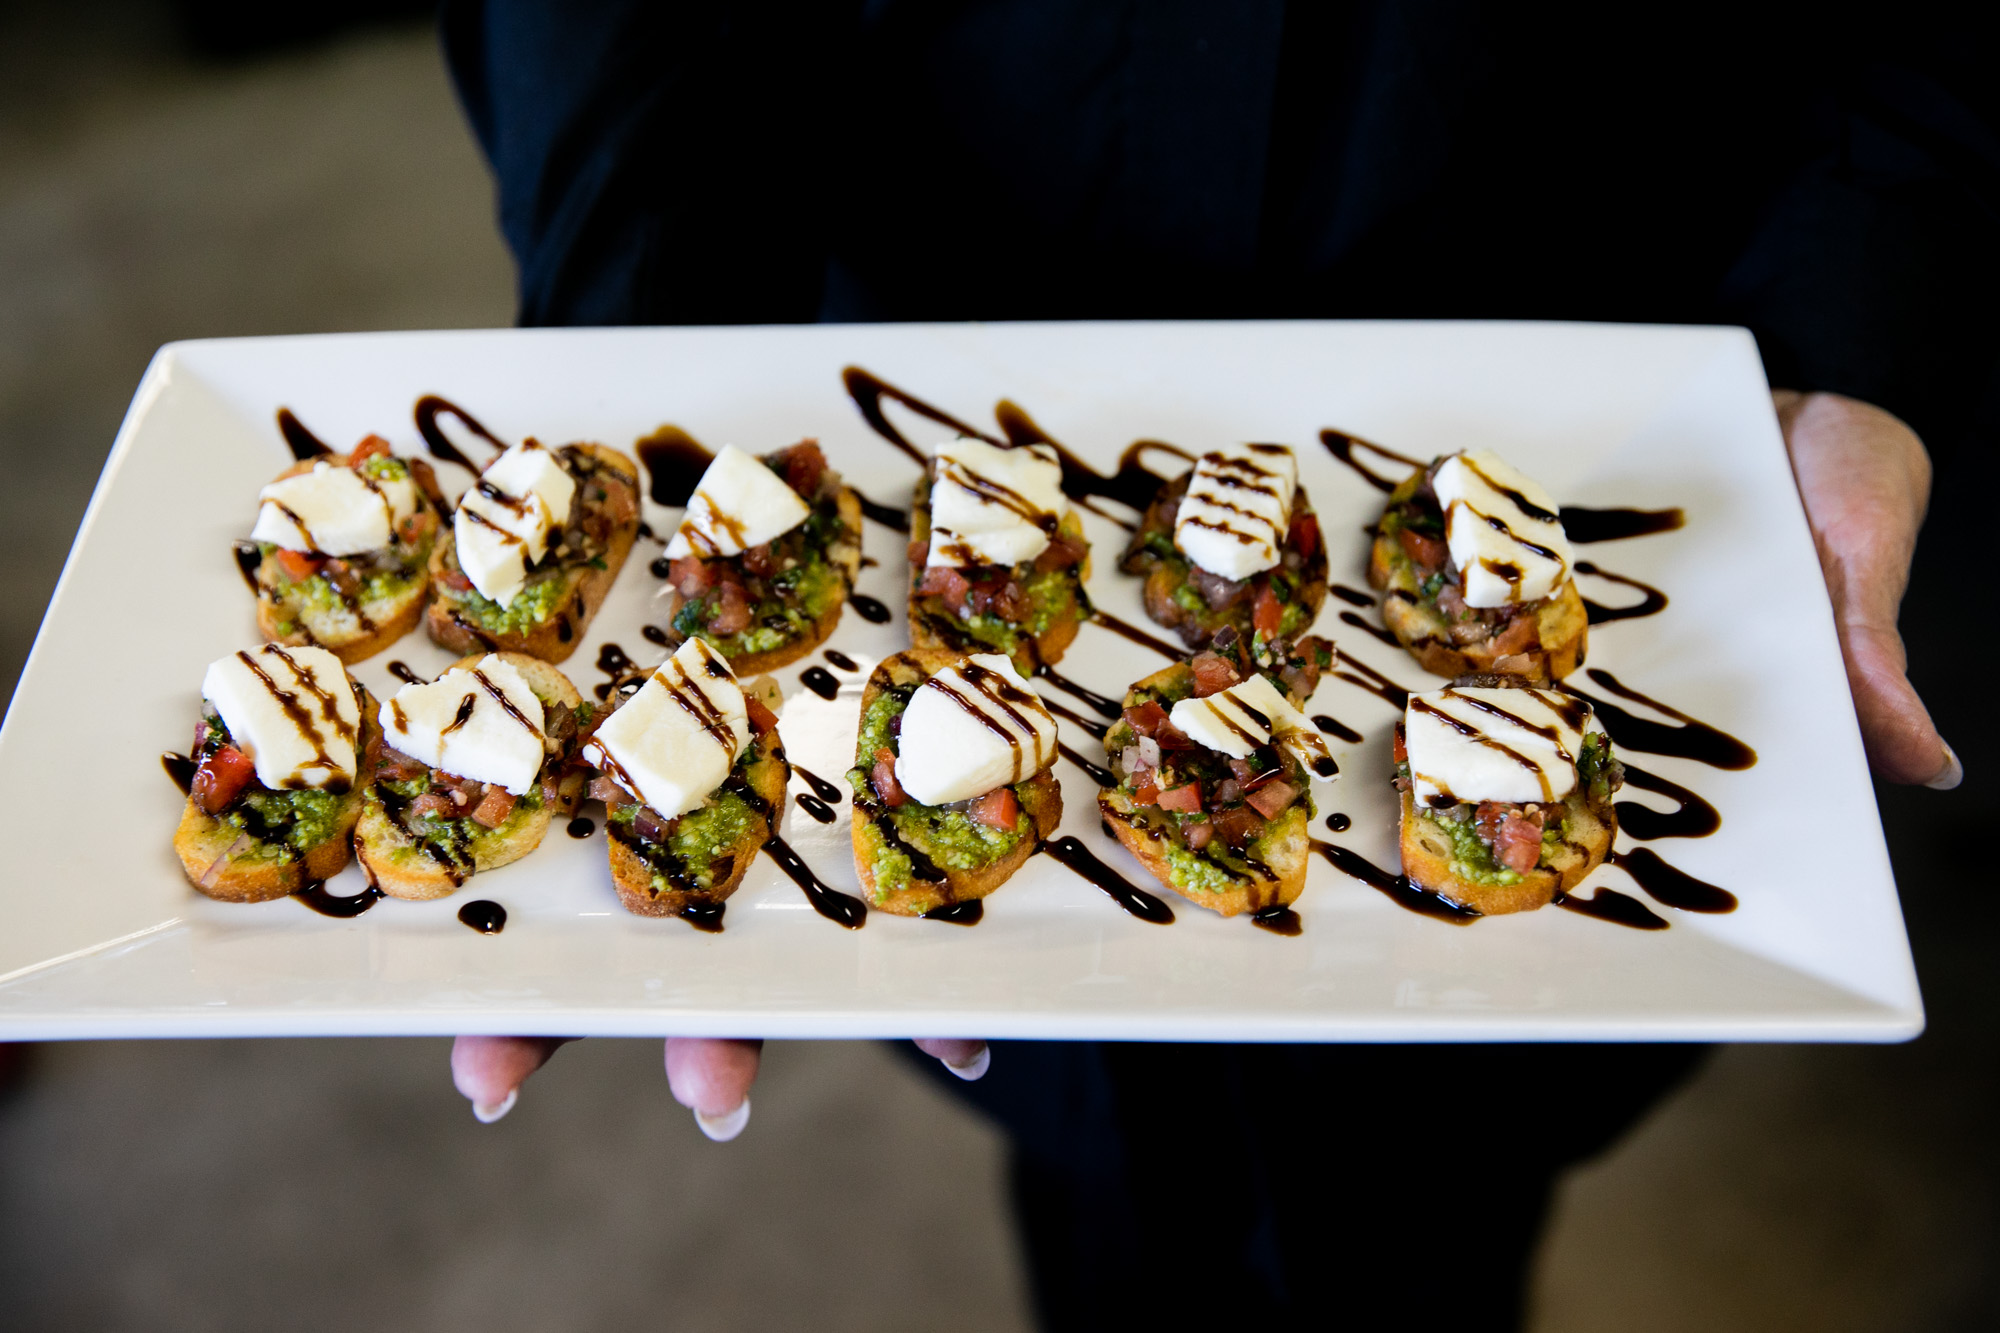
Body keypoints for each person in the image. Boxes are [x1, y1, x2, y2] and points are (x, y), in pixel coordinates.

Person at [435, 3, 1982, 1326]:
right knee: (1105, 1196)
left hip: (1601, 354)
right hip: (918, 345)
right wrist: (626, 346)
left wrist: (1852, 304)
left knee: (1432, 1217)